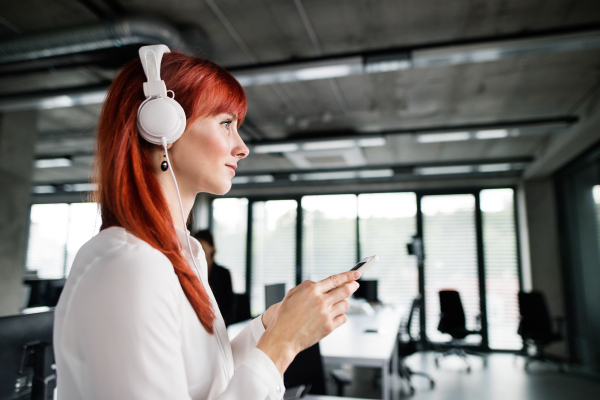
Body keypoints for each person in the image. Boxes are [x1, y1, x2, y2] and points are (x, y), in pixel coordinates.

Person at [53, 45, 360, 400]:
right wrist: (282, 346)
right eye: (226, 123)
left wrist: (270, 326)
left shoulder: (187, 254)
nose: (243, 147)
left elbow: (207, 383)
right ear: (161, 127)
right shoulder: (130, 268)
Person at [193, 229, 235, 326]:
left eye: (202, 248)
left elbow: (230, 306)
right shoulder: (193, 272)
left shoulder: (224, 274)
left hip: (219, 326)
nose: (199, 252)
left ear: (211, 248)